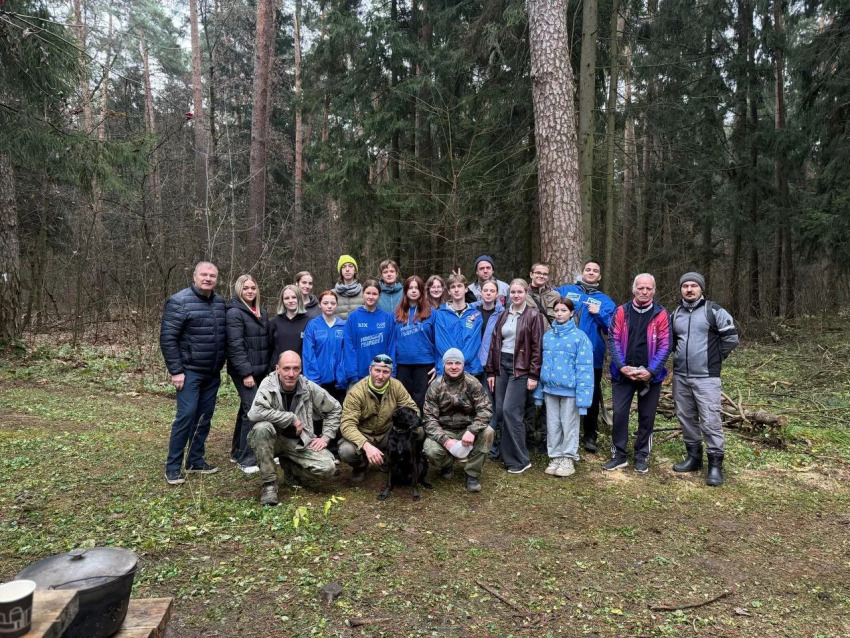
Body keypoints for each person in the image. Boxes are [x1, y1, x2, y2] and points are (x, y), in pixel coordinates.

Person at [160, 261, 227, 485]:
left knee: (203, 418)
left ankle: (195, 460)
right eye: (204, 275)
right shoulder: (179, 301)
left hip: (212, 373)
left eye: (213, 276)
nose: (208, 279)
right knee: (186, 417)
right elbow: (168, 338)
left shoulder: (219, 303)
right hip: (189, 373)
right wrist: (176, 371)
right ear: (195, 276)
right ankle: (173, 467)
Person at [671, 272, 739, 486]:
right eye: (685, 286)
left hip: (707, 377)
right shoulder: (676, 314)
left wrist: (715, 359)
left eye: (693, 286)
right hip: (681, 375)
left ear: (701, 288)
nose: (689, 289)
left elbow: (731, 338)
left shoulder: (714, 311)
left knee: (710, 420)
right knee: (686, 417)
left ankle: (715, 466)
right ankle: (694, 458)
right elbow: (673, 342)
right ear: (681, 289)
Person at [247, 351, 341, 506]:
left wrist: (326, 437)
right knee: (261, 428)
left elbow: (335, 408)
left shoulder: (308, 387)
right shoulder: (268, 384)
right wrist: (291, 418)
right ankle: (269, 485)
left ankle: (290, 466)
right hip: (273, 440)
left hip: (299, 442)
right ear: (278, 369)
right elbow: (254, 413)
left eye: (296, 369)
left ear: (301, 369)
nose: (291, 374)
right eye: (286, 368)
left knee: (328, 468)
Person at [604, 273, 672, 473]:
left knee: (647, 416)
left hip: (651, 375)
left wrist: (651, 371)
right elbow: (613, 340)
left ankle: (642, 455)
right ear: (634, 289)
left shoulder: (661, 314)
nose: (644, 291)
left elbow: (665, 345)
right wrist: (622, 366)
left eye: (648, 288)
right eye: (640, 288)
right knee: (620, 414)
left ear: (654, 290)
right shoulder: (621, 311)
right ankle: (619, 454)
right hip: (623, 373)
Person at [486, 278, 546, 474]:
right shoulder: (504, 315)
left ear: (526, 292)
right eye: (513, 292)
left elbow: (537, 347)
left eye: (520, 292)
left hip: (520, 369)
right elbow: (495, 343)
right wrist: (492, 371)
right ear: (508, 294)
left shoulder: (533, 315)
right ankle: (506, 454)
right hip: (502, 366)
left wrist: (533, 375)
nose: (516, 295)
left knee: (512, 411)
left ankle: (521, 459)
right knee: (502, 413)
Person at [556, 259, 616, 453]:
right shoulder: (566, 290)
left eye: (595, 271)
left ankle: (590, 435)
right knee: (563, 392)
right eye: (587, 269)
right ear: (582, 272)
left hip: (592, 354)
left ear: (599, 276)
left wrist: (599, 314)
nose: (591, 272)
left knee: (591, 394)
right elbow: (548, 306)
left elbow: (612, 329)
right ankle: (561, 434)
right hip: (564, 352)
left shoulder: (605, 301)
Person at [534, 298, 594, 478]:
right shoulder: (548, 336)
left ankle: (568, 457)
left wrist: (583, 399)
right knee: (553, 424)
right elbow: (542, 364)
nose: (559, 313)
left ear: (571, 313)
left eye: (563, 310)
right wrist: (539, 391)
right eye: (557, 310)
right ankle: (555, 456)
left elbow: (584, 369)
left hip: (570, 391)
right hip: (550, 390)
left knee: (569, 424)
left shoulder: (580, 338)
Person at [338, 354, 420, 482]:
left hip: (387, 433)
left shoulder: (397, 386)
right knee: (346, 451)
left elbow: (413, 410)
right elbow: (347, 425)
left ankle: (389, 460)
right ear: (370, 369)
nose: (381, 376)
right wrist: (366, 445)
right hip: (363, 434)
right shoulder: (356, 392)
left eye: (385, 372)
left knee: (417, 432)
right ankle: (360, 466)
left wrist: (402, 423)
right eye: (377, 370)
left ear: (391, 373)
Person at [423, 349, 494, 492]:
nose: (454, 367)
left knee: (488, 432)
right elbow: (429, 419)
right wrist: (446, 441)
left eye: (457, 363)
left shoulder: (473, 383)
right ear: (444, 365)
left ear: (463, 365)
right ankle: (447, 464)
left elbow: (485, 410)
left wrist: (472, 430)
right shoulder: (435, 386)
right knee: (429, 449)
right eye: (449, 363)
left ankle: (472, 474)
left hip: (467, 430)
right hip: (445, 430)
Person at [225, 275, 270, 474]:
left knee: (245, 410)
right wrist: (246, 373)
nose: (250, 291)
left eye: (253, 287)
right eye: (246, 288)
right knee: (253, 411)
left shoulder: (261, 312)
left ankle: (237, 452)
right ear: (239, 291)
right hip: (245, 372)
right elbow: (235, 345)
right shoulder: (235, 312)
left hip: (260, 370)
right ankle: (247, 457)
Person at [393, 276, 436, 410]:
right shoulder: (396, 314)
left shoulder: (432, 313)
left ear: (422, 291)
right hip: (402, 364)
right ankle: (405, 430)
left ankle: (421, 429)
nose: (413, 291)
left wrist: (438, 364)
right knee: (403, 401)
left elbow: (438, 340)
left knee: (421, 401)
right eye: (410, 288)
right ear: (405, 291)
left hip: (425, 364)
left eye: (416, 288)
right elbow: (392, 341)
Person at [343, 279, 396, 387]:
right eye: (368, 293)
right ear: (363, 294)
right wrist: (352, 373)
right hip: (358, 375)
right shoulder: (353, 317)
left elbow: (391, 346)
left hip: (382, 375)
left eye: (374, 294)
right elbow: (349, 346)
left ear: (379, 296)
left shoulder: (387, 317)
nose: (371, 297)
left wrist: (391, 371)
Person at [472, 280, 504, 457]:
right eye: (486, 290)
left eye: (492, 290)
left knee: (489, 405)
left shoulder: (502, 314)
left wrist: (493, 367)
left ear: (498, 294)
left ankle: (491, 445)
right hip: (472, 363)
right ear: (480, 292)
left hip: (491, 365)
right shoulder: (472, 310)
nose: (488, 293)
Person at [434, 274, 483, 377]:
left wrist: (459, 363)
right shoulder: (441, 314)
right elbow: (442, 343)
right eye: (453, 287)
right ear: (448, 291)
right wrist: (453, 364)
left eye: (459, 286)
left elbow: (474, 344)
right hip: (446, 370)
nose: (456, 290)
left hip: (470, 369)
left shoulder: (475, 315)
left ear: (466, 289)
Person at [302, 290, 346, 403]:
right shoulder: (313, 326)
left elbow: (347, 353)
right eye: (325, 303)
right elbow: (308, 354)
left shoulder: (343, 326)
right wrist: (314, 380)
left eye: (332, 303)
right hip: (319, 381)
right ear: (319, 305)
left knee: (338, 415)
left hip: (339, 382)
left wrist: (342, 376)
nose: (329, 306)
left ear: (337, 305)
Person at [269, 284, 310, 365]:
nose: (290, 301)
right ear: (282, 301)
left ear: (299, 299)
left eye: (294, 297)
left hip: (301, 371)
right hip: (279, 371)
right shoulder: (274, 322)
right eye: (286, 298)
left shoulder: (309, 322)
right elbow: (269, 349)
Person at [527, 262, 560, 327]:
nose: (541, 276)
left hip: (549, 335)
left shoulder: (555, 295)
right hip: (528, 334)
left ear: (548, 277)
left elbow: (558, 319)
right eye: (538, 273)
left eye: (545, 274)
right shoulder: (523, 295)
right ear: (531, 275)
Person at [333, 255, 364, 321]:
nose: (347, 269)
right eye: (344, 267)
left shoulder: (364, 292)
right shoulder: (332, 294)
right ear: (341, 271)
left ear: (355, 270)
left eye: (350, 266)